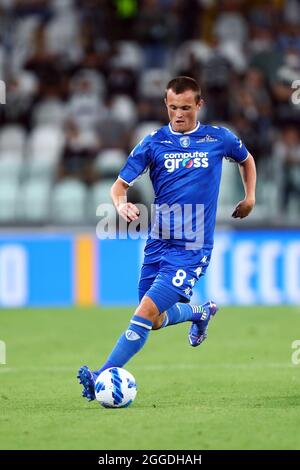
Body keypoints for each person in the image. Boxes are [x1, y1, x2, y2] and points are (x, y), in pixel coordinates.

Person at [78, 76, 256, 401]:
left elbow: (246, 160)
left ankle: (100, 375)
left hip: (192, 247)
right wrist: (121, 205)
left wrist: (250, 197)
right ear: (166, 105)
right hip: (158, 242)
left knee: (145, 311)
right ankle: (200, 313)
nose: (179, 114)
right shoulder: (153, 142)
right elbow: (118, 187)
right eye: (173, 107)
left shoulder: (219, 138)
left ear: (199, 105)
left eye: (186, 107)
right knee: (155, 318)